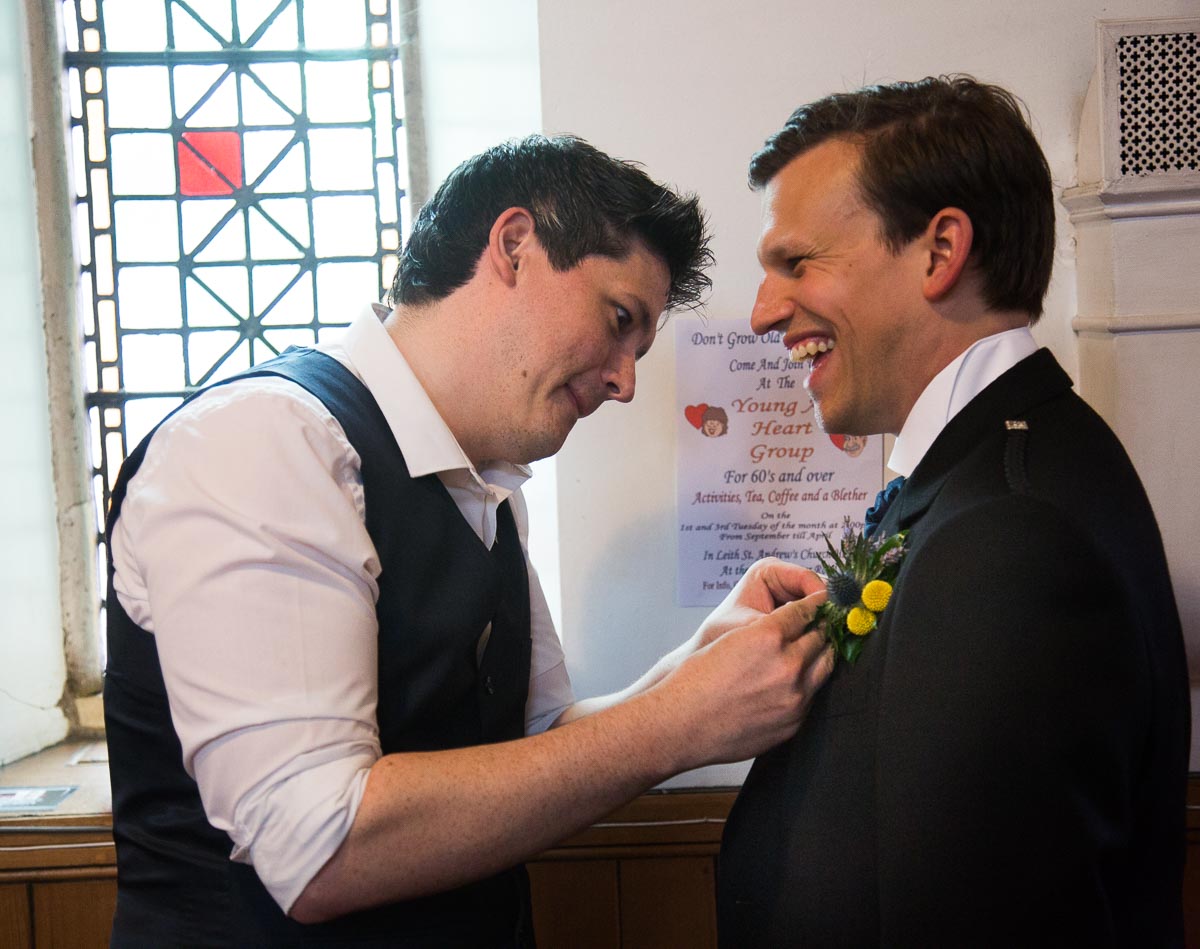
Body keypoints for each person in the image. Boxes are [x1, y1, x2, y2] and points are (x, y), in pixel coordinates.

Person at [103, 134, 834, 947]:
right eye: (619, 320)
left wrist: (695, 664)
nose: (625, 381)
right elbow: (319, 848)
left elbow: (536, 745)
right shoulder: (266, 438)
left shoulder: (484, 487)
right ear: (514, 245)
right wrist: (678, 722)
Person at [717, 77, 1190, 946]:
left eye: (798, 262)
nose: (762, 312)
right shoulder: (986, 473)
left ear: (940, 251)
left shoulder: (1009, 538)